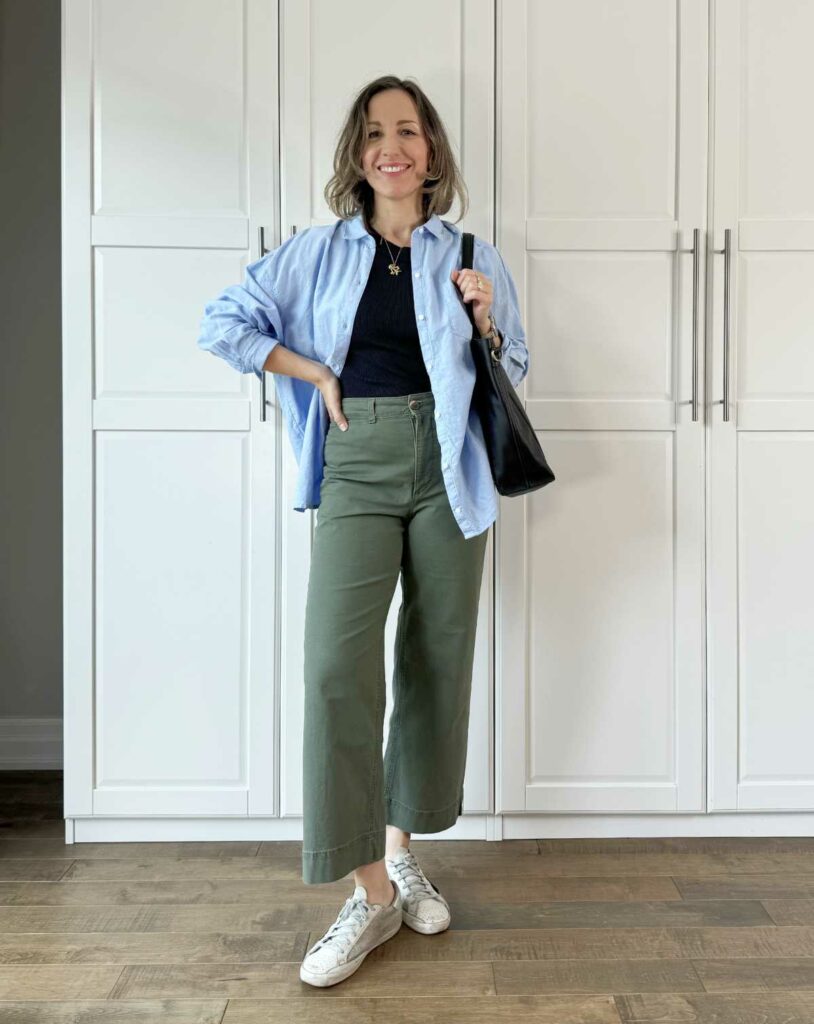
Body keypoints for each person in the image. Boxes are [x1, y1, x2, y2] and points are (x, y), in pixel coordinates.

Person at [197, 75, 529, 988]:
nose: (394, 147)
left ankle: (399, 846)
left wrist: (486, 318)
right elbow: (221, 322)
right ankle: (372, 894)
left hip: (448, 464)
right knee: (336, 667)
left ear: (432, 151)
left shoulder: (468, 251)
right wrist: (312, 372)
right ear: (357, 152)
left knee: (434, 657)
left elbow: (517, 364)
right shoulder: (315, 252)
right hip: (357, 456)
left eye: (410, 131)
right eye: (377, 132)